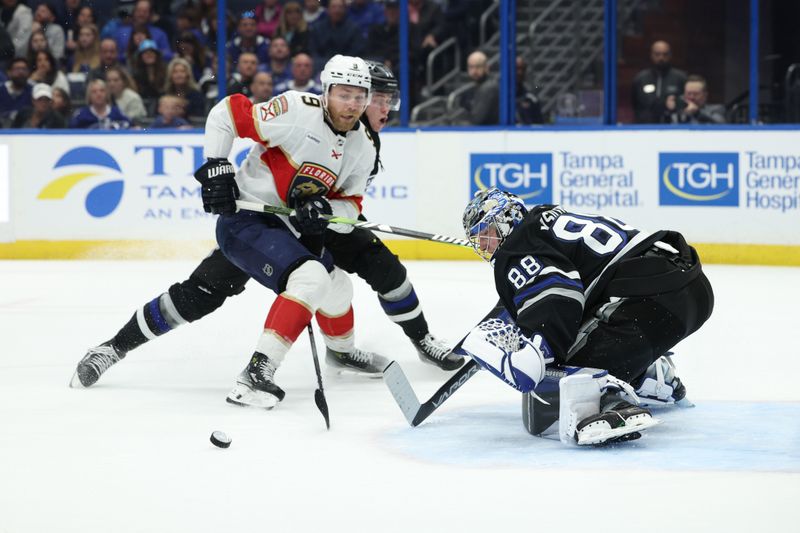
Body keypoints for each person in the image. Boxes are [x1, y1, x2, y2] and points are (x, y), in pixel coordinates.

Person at [70, 58, 461, 401]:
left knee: (333, 284)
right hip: (248, 220)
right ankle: (126, 351)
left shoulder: (363, 145)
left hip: (287, 229)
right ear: (326, 91)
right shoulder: (296, 109)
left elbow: (351, 204)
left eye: (360, 96)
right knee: (249, 288)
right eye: (345, 94)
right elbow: (227, 113)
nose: (353, 104)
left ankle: (341, 352)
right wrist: (218, 166)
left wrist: (324, 208)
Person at [456, 188, 714, 445]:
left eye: (486, 233)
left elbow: (557, 294)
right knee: (579, 330)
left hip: (648, 299)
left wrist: (538, 349)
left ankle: (612, 401)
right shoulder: (546, 222)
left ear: (508, 219)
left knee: (560, 371)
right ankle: (647, 373)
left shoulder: (517, 247)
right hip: (689, 287)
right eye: (477, 239)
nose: (482, 244)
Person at [631, 40, 687, 124]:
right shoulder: (641, 78)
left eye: (665, 54)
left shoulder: (680, 78)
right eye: (657, 54)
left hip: (673, 128)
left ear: (670, 55)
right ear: (651, 55)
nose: (661, 58)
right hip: (645, 128)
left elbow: (686, 102)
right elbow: (635, 104)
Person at [463, 50, 498, 125]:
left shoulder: (489, 88)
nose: (474, 71)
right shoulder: (472, 89)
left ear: (486, 68)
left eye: (478, 67)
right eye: (471, 67)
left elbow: (476, 120)